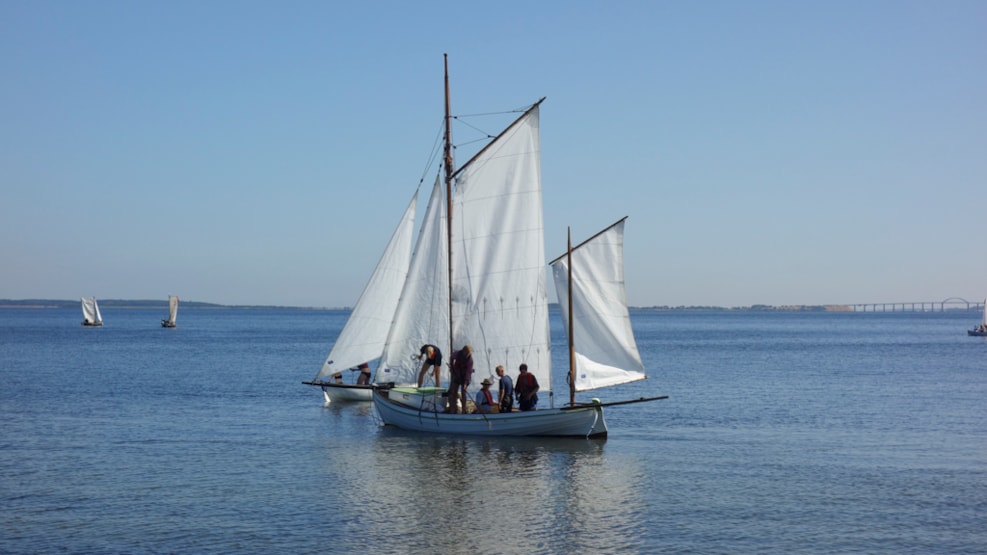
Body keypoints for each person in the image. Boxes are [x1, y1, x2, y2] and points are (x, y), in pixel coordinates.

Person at [446, 344, 474, 413]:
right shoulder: (457, 354)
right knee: (454, 392)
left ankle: (463, 410)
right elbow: (451, 357)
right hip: (457, 374)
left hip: (465, 376)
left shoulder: (470, 360)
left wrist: (465, 383)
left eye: (469, 353)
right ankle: (452, 409)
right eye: (467, 353)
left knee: (463, 392)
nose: (468, 354)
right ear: (464, 351)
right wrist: (452, 367)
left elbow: (468, 372)